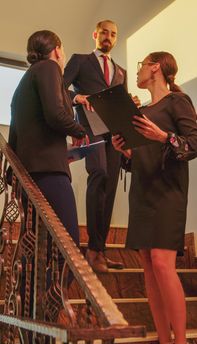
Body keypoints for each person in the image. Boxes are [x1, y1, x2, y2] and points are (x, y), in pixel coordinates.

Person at [112, 51, 197, 344]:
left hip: (167, 192)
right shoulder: (142, 111)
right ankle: (163, 343)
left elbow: (194, 143)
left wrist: (165, 137)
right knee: (148, 265)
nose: (138, 72)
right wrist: (127, 153)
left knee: (163, 263)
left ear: (156, 67)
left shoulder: (178, 101)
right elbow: (141, 156)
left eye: (141, 66)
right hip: (142, 190)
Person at [8, 29, 86, 264]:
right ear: (57, 50)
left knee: (39, 251)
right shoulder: (49, 67)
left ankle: (34, 300)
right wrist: (79, 131)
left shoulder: (23, 84)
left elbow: (17, 136)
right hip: (49, 174)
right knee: (69, 248)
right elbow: (55, 114)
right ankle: (49, 302)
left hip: (30, 177)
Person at [63, 19, 128, 272]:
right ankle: (91, 250)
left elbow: (122, 105)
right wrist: (77, 97)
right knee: (99, 173)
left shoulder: (120, 71)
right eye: (104, 33)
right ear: (95, 34)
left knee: (110, 184)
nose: (108, 37)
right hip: (90, 126)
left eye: (113, 34)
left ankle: (100, 249)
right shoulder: (80, 60)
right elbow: (59, 88)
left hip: (115, 133)